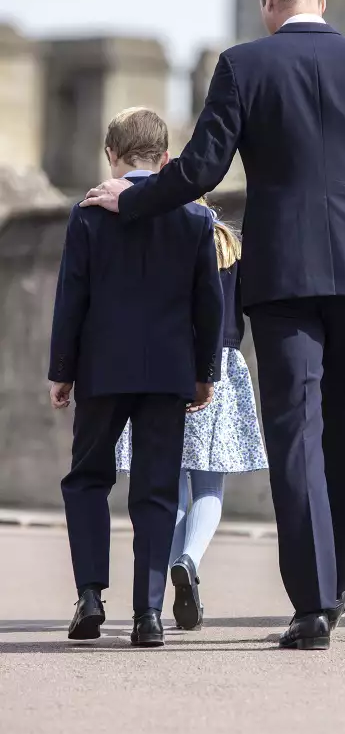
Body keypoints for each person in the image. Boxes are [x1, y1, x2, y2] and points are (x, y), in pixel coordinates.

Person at [80, 0, 345, 651]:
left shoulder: (244, 66)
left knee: (295, 435)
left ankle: (311, 606)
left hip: (284, 281)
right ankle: (338, 586)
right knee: (344, 434)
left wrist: (135, 197)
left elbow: (203, 168)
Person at [49, 108, 223, 647]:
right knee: (155, 490)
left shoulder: (89, 215)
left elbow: (71, 298)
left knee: (87, 479)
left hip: (103, 369)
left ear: (111, 155)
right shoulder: (196, 219)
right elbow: (208, 306)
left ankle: (90, 597)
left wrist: (62, 371)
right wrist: (205, 372)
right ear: (166, 157)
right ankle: (147, 614)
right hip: (168, 371)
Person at [115, 198, 267, 630]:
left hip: (172, 363)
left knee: (172, 485)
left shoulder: (169, 241)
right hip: (222, 366)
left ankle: (173, 581)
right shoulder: (230, 247)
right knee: (209, 486)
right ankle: (189, 561)